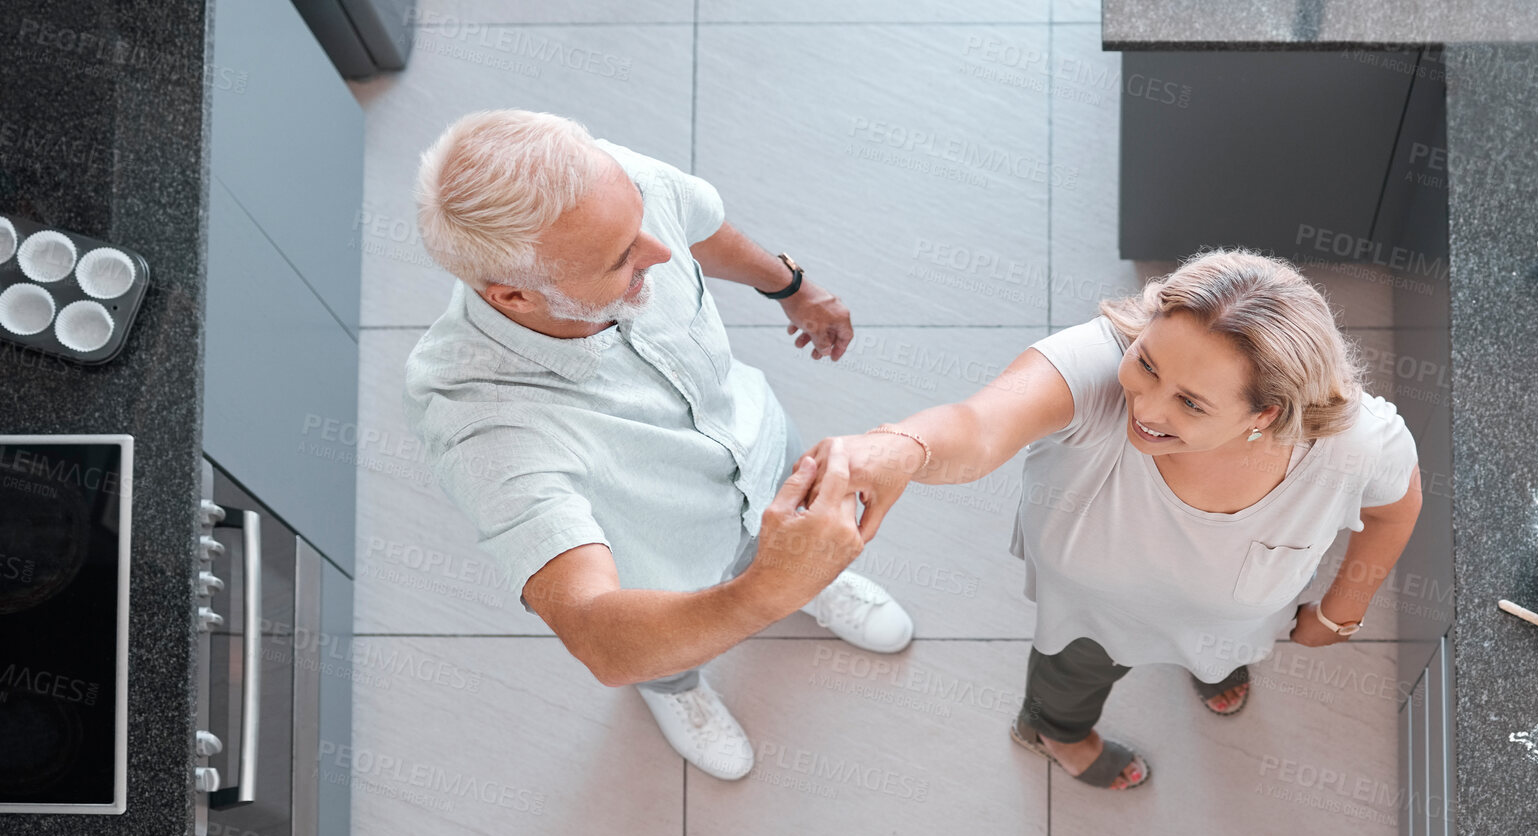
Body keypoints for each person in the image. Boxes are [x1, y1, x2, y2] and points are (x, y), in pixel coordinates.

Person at [404, 109, 913, 781]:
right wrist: (767, 591)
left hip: (760, 446)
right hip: (668, 567)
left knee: (782, 533)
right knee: (665, 655)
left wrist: (791, 285)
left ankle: (816, 585)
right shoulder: (479, 415)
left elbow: (694, 227)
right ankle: (680, 690)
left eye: (639, 220)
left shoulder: (611, 188)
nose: (662, 253)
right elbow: (599, 635)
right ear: (516, 295)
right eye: (623, 260)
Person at [810, 250, 1422, 789]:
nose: (1145, 407)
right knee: (1072, 674)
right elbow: (977, 427)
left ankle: (1211, 668)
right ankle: (1053, 732)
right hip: (1092, 612)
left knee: (1222, 649)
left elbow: (1395, 511)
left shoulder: (1356, 446)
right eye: (1147, 363)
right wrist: (899, 448)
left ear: (1265, 415)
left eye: (1191, 402)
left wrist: (1341, 614)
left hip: (1233, 618)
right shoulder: (1096, 361)